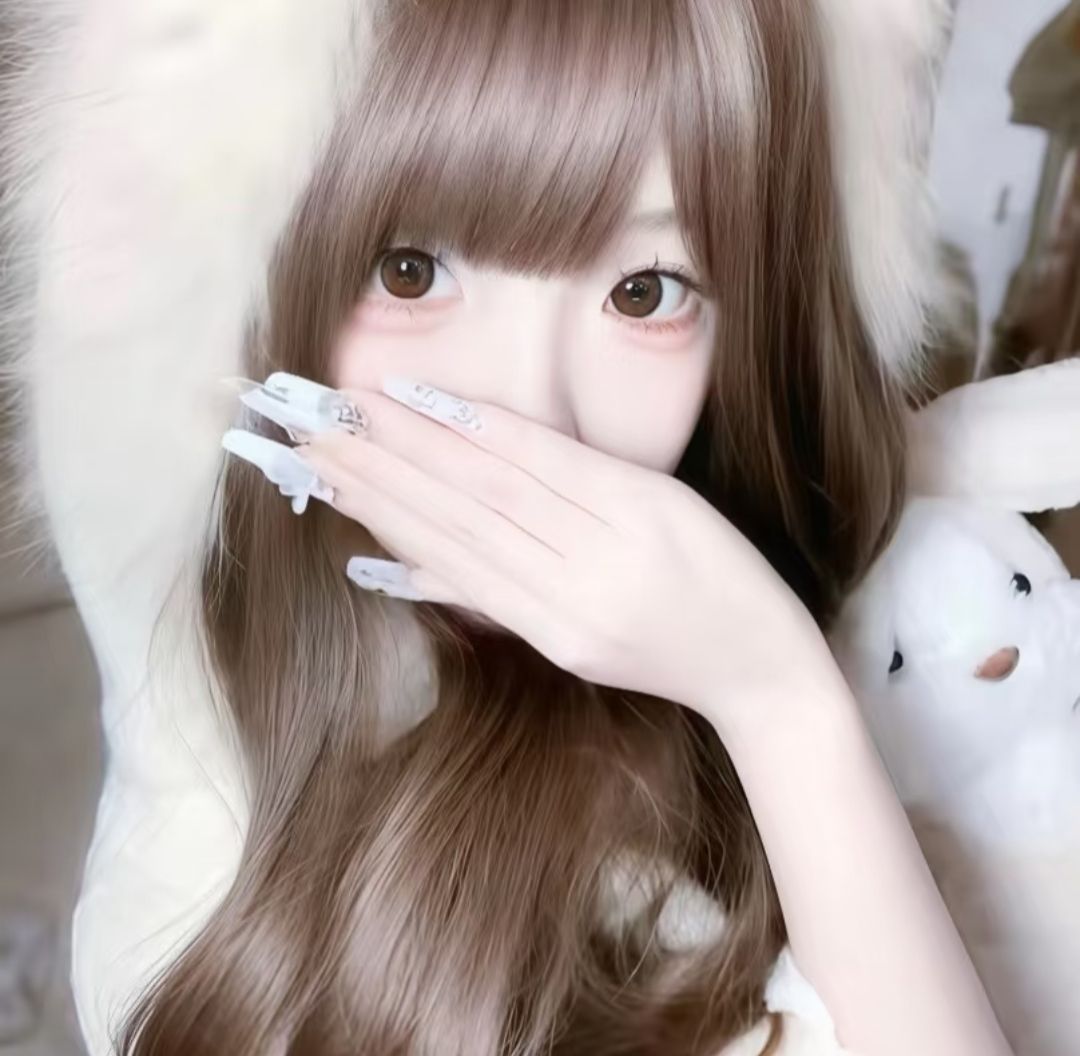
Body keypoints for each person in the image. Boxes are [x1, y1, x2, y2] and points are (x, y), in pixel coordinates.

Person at [0, 0, 1010, 1054]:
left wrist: (778, 700)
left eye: (645, 292)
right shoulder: (188, 614)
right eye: (410, 272)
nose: (533, 416)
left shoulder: (712, 830)